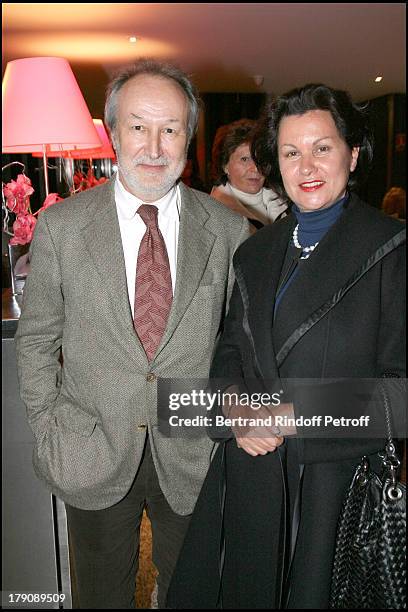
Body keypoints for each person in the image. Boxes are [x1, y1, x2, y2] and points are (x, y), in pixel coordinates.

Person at [14, 58, 249, 609]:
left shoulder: (230, 230)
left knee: (196, 594)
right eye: (139, 126)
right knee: (100, 598)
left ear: (188, 138)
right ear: (113, 130)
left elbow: (240, 341)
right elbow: (38, 337)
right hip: (89, 445)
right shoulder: (62, 226)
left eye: (171, 129)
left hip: (194, 451)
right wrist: (47, 425)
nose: (154, 145)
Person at [166, 83, 406, 608]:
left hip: (336, 494)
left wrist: (294, 415)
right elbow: (228, 355)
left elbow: (401, 395)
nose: (307, 165)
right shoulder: (255, 253)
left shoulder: (391, 250)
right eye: (291, 152)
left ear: (353, 153)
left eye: (323, 147)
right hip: (250, 482)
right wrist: (235, 408)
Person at [210, 118, 287, 232]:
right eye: (245, 159)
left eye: (260, 159)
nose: (255, 168)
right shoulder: (215, 214)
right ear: (225, 165)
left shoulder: (286, 202)